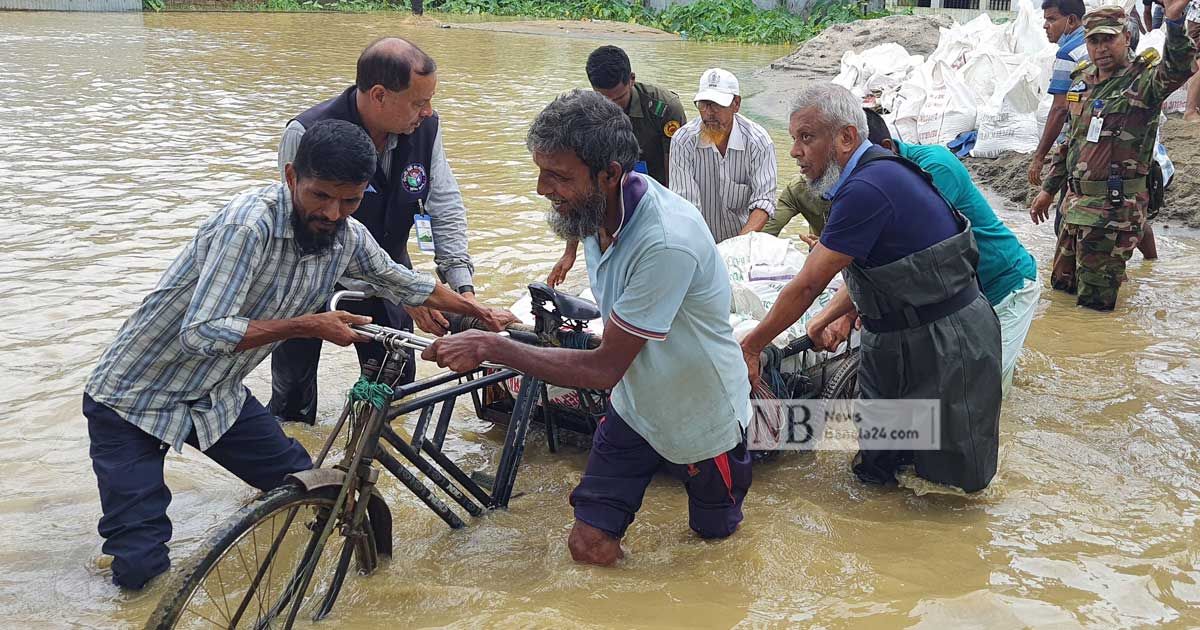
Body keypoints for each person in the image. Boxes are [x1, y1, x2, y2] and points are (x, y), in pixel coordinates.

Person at [84, 120, 512, 590]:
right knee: (140, 565)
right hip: (133, 398)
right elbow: (202, 333)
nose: (332, 213)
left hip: (215, 395)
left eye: (350, 201)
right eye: (321, 196)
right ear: (292, 178)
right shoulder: (248, 226)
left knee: (309, 486)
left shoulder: (347, 235)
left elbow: (400, 280)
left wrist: (480, 310)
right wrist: (307, 326)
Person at [424, 90, 752, 565]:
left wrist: (493, 346)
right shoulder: (595, 209)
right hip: (637, 407)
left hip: (700, 416)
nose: (542, 188)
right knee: (588, 545)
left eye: (557, 176)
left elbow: (603, 369)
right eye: (540, 171)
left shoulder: (664, 241)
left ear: (610, 174)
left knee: (713, 548)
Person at [739, 83, 1002, 494]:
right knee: (881, 467)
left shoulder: (868, 187)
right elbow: (879, 269)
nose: (795, 152)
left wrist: (752, 346)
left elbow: (809, 283)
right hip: (896, 341)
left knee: (950, 486)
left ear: (846, 137)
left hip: (946, 345)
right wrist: (827, 318)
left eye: (806, 138)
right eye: (794, 139)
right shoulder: (862, 182)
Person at [270, 37, 480, 424]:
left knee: (395, 391)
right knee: (293, 403)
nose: (428, 111)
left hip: (390, 269)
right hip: (308, 280)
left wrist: (460, 286)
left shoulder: (426, 130)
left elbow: (445, 206)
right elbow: (301, 229)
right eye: (419, 102)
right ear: (380, 95)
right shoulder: (308, 133)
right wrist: (400, 288)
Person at [1030, 2, 1196, 311]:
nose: (1101, 48)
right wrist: (1048, 190)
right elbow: (1072, 142)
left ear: (1127, 37)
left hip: (1112, 214)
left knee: (1095, 309)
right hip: (1074, 210)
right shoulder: (1084, 81)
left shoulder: (1144, 81)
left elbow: (1179, 67)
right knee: (1062, 293)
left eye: (1109, 39)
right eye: (1094, 40)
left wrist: (1173, 23)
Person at [546, 44, 686, 286]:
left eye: (618, 99)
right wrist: (570, 252)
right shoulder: (586, 115)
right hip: (608, 204)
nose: (612, 108)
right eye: (603, 99)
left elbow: (676, 177)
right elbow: (579, 186)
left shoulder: (664, 109)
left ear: (631, 80)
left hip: (653, 202)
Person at [669, 68, 778, 244]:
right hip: (698, 239)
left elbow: (763, 202)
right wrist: (705, 249)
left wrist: (736, 248)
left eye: (717, 105)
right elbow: (686, 205)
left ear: (736, 104)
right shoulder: (683, 141)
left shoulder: (758, 141)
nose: (709, 113)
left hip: (744, 240)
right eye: (703, 104)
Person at [1029, 0, 1087, 194]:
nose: (1045, 25)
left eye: (1051, 19)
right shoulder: (1096, 44)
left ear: (1071, 20)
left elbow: (1060, 108)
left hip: (1080, 145)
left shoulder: (1068, 53)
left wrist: (1039, 156)